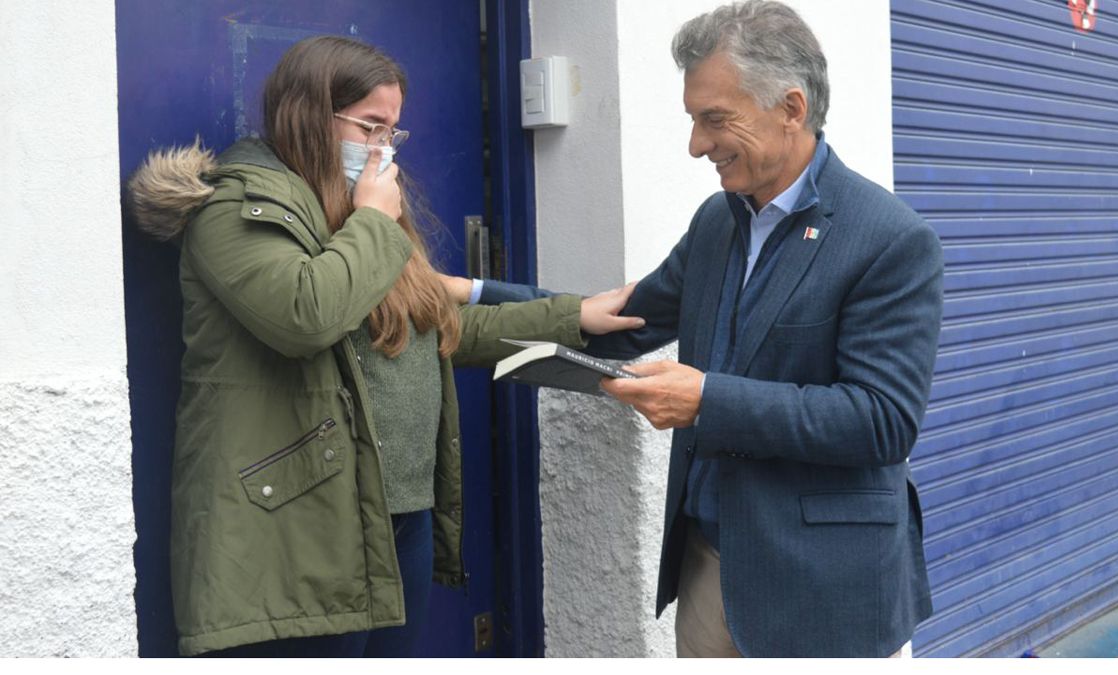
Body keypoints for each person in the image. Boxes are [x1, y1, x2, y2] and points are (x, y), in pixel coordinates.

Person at [127, 35, 641, 657]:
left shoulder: (353, 204)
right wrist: (373, 220)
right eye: (370, 127)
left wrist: (572, 316)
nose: (381, 148)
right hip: (300, 521)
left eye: (391, 133)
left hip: (397, 512)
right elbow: (306, 315)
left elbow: (430, 327)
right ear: (311, 114)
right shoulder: (238, 207)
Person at [479, 0, 943, 658]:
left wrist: (707, 399)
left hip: (825, 591)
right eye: (694, 119)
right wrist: (464, 298)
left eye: (713, 119)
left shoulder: (889, 239)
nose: (696, 144)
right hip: (708, 569)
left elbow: (881, 419)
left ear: (790, 107)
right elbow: (618, 322)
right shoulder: (716, 223)